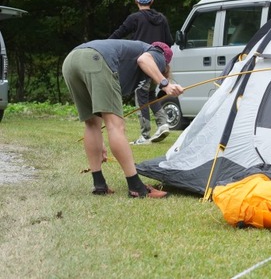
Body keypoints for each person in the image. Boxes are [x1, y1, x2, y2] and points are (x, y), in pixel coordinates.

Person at [62, 39, 184, 198]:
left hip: (72, 60)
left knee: (92, 124)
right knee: (116, 126)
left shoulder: (130, 56)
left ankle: (99, 185)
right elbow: (144, 59)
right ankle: (136, 187)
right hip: (96, 59)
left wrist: (100, 143)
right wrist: (165, 84)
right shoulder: (158, 53)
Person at [109, 0, 173, 145]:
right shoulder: (162, 19)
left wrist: (105, 45)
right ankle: (163, 123)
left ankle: (144, 136)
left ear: (136, 2)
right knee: (150, 94)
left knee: (141, 95)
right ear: (152, 2)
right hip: (159, 62)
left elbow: (118, 35)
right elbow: (169, 42)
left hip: (143, 62)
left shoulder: (134, 18)